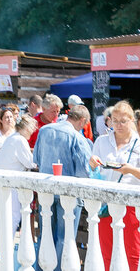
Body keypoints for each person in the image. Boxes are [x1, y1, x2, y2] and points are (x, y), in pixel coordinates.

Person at [89, 101, 140, 271]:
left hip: (131, 204)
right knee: (107, 250)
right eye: (115, 120)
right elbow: (92, 168)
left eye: (123, 121)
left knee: (132, 252)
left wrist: (131, 170)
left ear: (132, 120)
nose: (118, 125)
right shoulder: (102, 141)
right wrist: (92, 163)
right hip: (106, 202)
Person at [32, 104, 92, 271]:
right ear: (82, 121)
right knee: (64, 238)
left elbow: (36, 158)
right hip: (69, 194)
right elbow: (85, 170)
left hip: (46, 190)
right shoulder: (77, 137)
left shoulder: (44, 131)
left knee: (45, 235)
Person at [0, 115, 38, 254]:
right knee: (13, 216)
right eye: (32, 129)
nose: (32, 132)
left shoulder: (12, 138)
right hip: (11, 184)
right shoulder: (20, 140)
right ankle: (4, 249)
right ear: (27, 128)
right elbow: (30, 163)